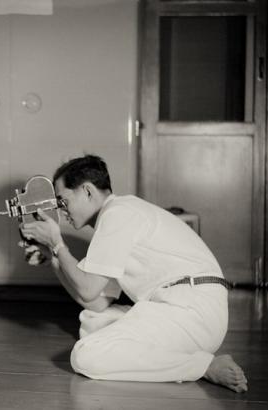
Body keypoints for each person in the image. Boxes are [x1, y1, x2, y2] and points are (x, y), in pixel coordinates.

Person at [19, 154, 248, 393]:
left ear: (87, 191)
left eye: (62, 200)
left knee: (85, 356)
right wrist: (54, 259)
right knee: (94, 321)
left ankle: (203, 366)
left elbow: (87, 289)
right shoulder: (120, 214)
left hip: (193, 310)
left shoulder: (118, 214)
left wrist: (57, 243)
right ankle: (183, 356)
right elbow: (96, 302)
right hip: (185, 308)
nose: (61, 210)